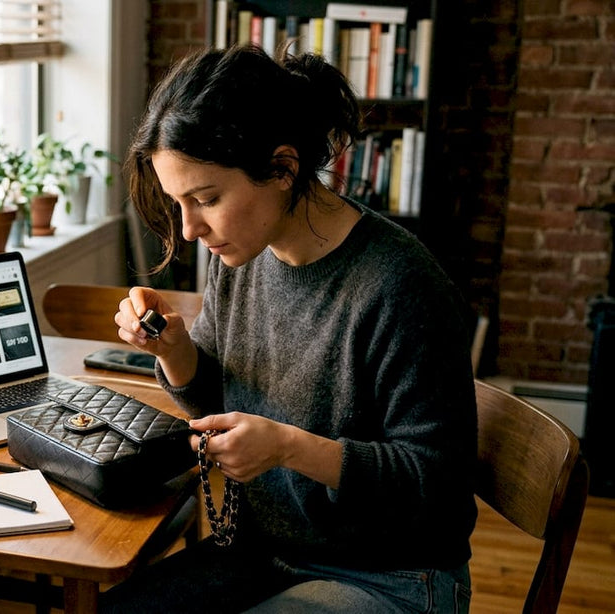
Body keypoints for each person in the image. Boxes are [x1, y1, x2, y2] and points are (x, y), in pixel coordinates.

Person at [101, 44, 478, 613]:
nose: (190, 226)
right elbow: (222, 404)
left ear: (283, 168)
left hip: (394, 576)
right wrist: (176, 351)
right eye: (180, 202)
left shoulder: (400, 285)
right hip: (266, 554)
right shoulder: (242, 253)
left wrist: (288, 448)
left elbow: (438, 489)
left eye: (206, 199)